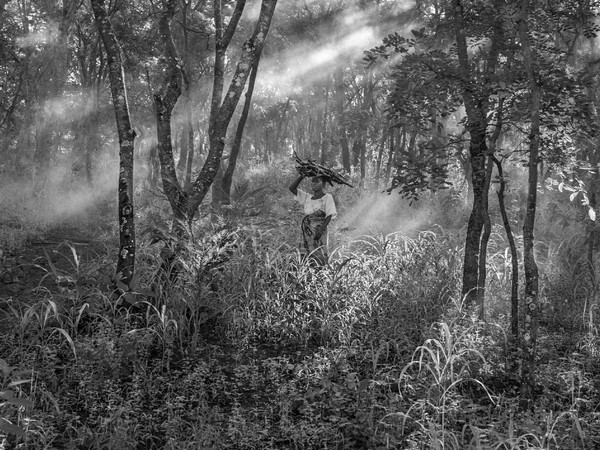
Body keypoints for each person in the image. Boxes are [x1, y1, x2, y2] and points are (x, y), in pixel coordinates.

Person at [289, 173, 337, 265]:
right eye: (312, 182)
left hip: (318, 231)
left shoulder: (327, 197)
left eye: (317, 181)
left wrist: (321, 229)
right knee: (306, 255)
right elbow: (292, 188)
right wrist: (302, 175)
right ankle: (307, 275)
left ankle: (321, 274)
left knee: (319, 253)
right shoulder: (307, 197)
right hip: (306, 232)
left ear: (323, 184)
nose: (313, 184)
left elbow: (329, 215)